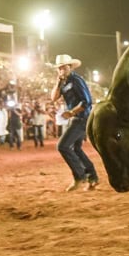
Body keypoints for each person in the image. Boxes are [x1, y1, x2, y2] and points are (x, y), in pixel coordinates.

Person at [49, 53, 99, 192]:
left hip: (82, 118)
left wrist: (71, 112)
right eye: (59, 69)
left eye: (63, 68)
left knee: (63, 146)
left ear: (70, 67)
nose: (61, 71)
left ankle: (80, 177)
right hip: (77, 119)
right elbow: (54, 97)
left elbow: (87, 101)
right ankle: (92, 177)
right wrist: (57, 82)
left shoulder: (77, 80)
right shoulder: (63, 82)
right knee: (76, 148)